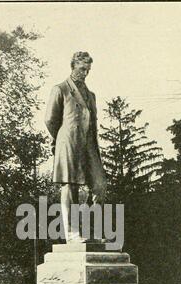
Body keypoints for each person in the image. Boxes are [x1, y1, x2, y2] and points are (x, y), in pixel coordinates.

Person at [45, 51, 107, 242]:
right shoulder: (61, 89)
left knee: (99, 185)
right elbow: (50, 119)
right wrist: (62, 139)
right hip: (69, 144)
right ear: (73, 67)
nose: (85, 73)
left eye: (88, 70)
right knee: (69, 185)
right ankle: (72, 233)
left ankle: (92, 231)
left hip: (89, 145)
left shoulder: (91, 95)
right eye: (82, 69)